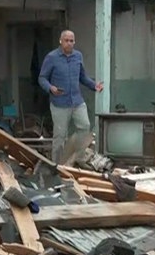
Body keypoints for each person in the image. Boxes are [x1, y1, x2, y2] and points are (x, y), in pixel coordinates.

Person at [38, 29, 105, 163]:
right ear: (60, 41)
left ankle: (77, 159)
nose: (69, 43)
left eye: (71, 41)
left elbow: (82, 77)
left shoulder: (78, 56)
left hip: (77, 101)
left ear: (74, 42)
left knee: (85, 127)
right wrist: (50, 88)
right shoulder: (52, 57)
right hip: (59, 103)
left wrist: (94, 85)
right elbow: (42, 78)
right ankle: (56, 165)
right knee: (60, 136)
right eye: (66, 41)